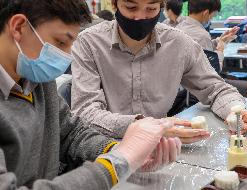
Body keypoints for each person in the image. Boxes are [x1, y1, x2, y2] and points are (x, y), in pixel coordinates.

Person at [0, 0, 183, 189]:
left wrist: (121, 150)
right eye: (60, 42)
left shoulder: (36, 79)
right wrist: (117, 163)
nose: (66, 56)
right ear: (19, 27)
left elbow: (71, 133)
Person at [71, 0, 247, 141]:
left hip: (163, 144)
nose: (140, 17)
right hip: (106, 146)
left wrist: (235, 110)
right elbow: (85, 112)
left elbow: (215, 89)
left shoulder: (179, 44)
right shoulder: (89, 43)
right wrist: (145, 126)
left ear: (161, 6)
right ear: (114, 5)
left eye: (151, 9)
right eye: (131, 7)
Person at [176, 0, 247, 100]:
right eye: (212, 16)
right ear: (206, 13)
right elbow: (213, 73)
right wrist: (220, 49)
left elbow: (202, 50)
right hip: (207, 88)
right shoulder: (201, 35)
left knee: (237, 80)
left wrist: (220, 40)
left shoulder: (179, 28)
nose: (211, 19)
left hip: (186, 87)